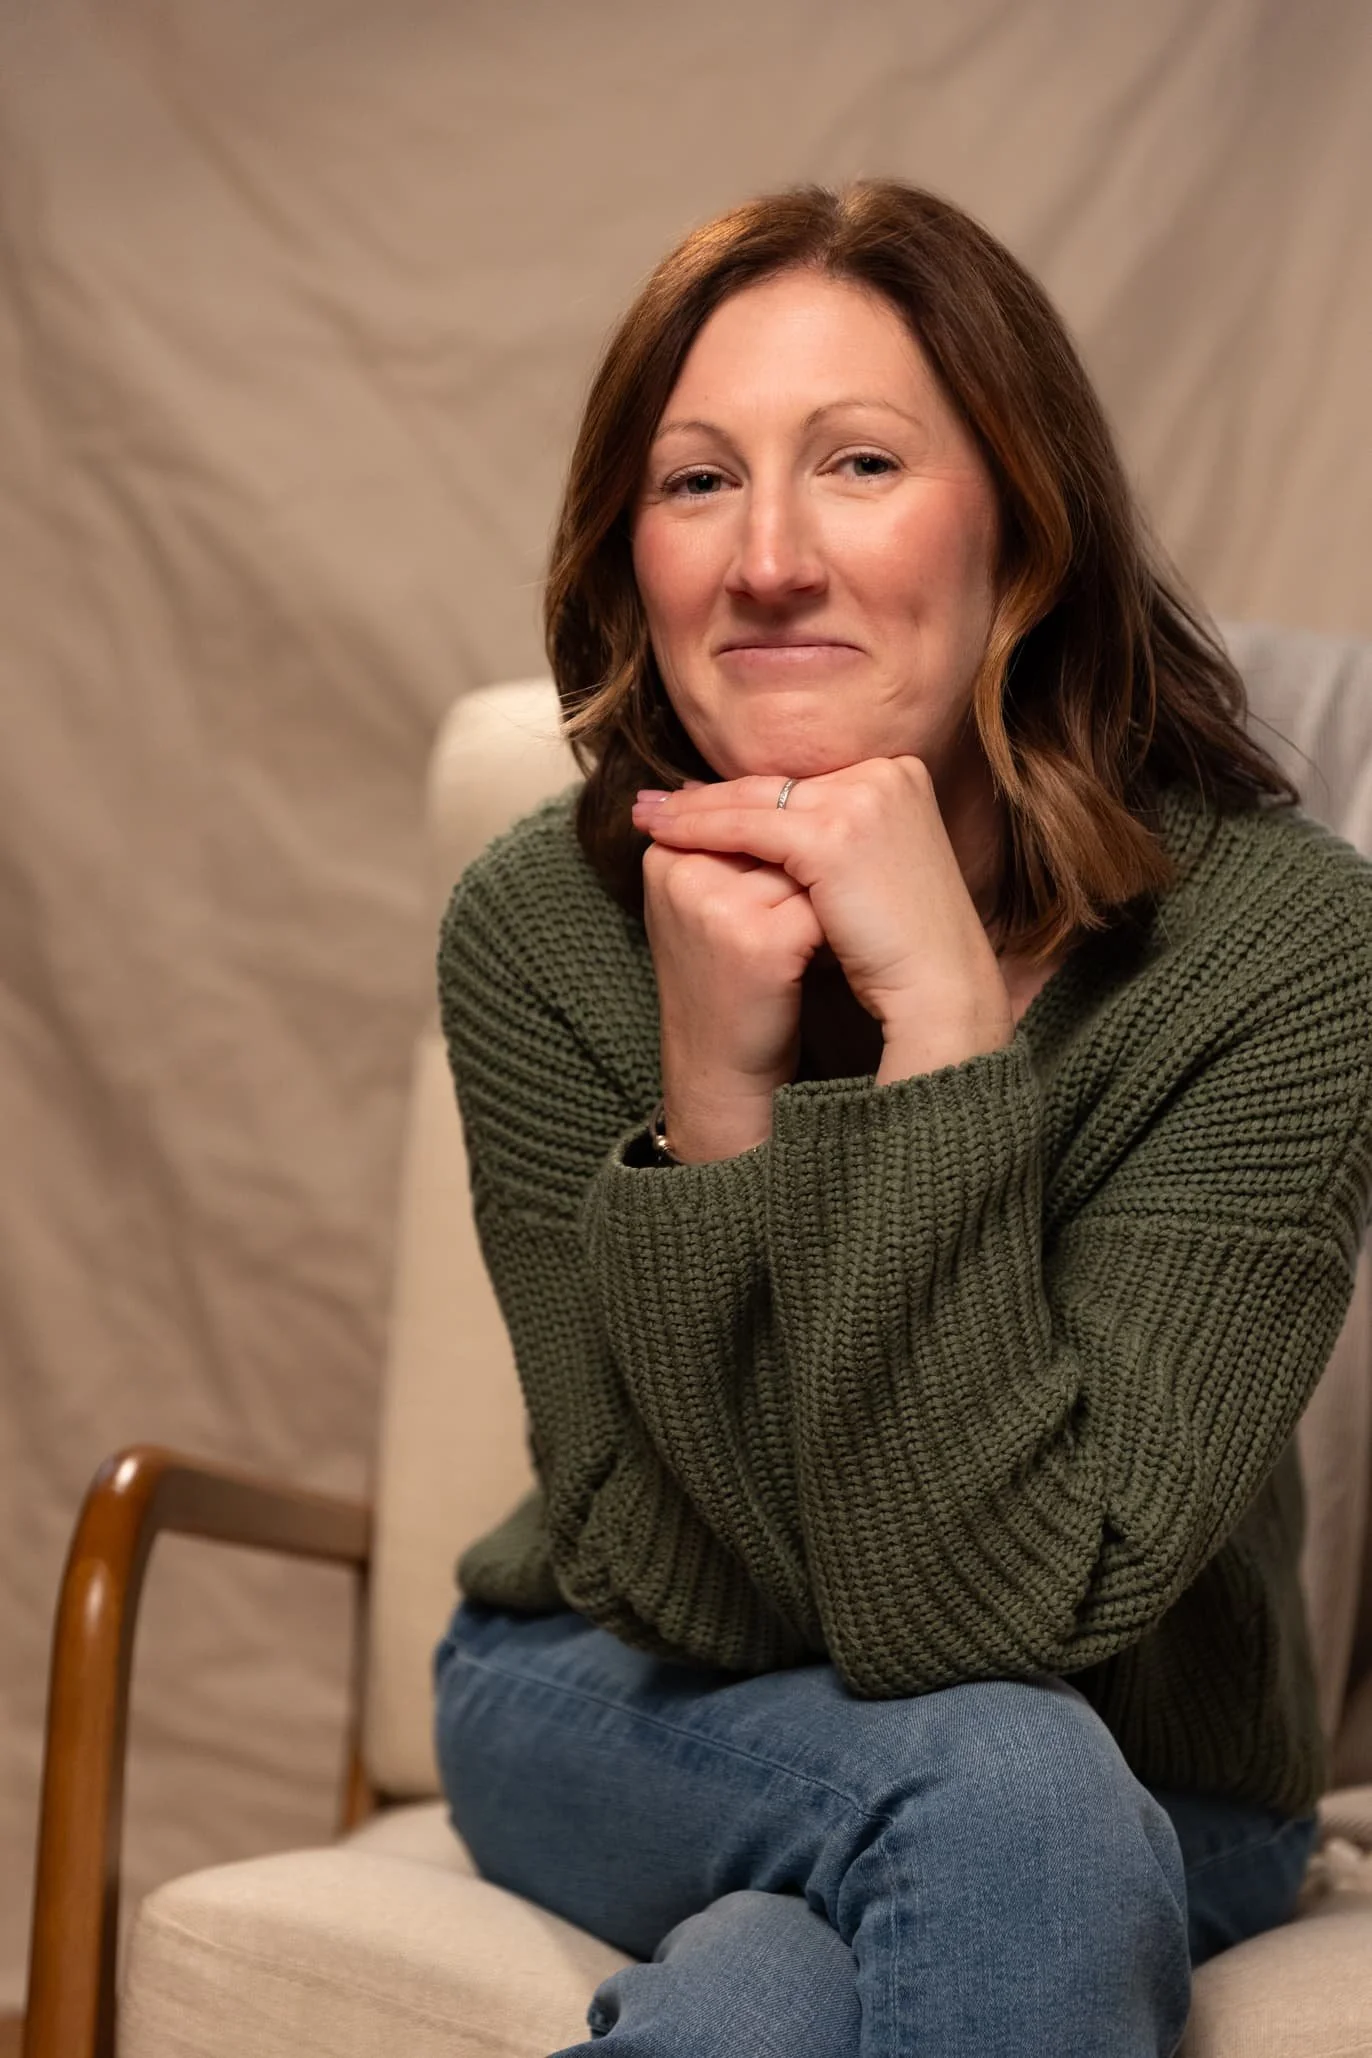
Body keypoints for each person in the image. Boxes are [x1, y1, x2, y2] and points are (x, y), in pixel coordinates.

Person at [430, 180, 1372, 2057]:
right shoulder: (542, 925)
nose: (768, 555)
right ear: (633, 558)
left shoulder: (1284, 946)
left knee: (779, 1986)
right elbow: (672, 1579)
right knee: (1001, 1792)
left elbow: (1011, 1616)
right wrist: (718, 1099)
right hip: (624, 1701)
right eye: (698, 482)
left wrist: (940, 1030)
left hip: (1150, 1770)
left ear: (1025, 520)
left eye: (858, 463)